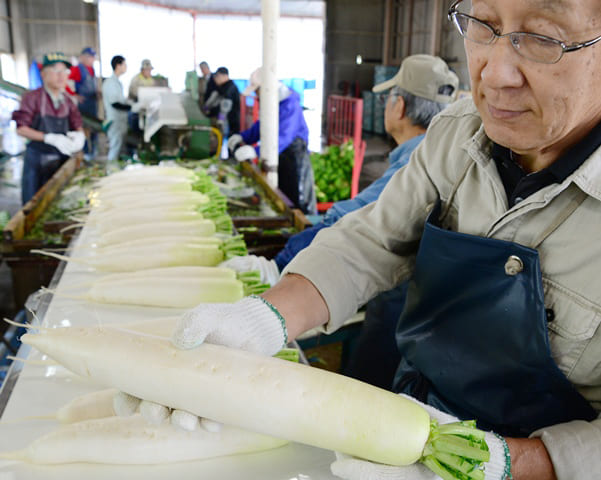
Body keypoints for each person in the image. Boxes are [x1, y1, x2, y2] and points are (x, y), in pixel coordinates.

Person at [117, 0, 601, 477]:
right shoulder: (457, 134)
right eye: (484, 25)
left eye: (542, 37)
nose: (496, 74)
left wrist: (501, 465)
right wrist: (266, 317)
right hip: (410, 424)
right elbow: (372, 240)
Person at [222, 55, 459, 389]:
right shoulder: (442, 154)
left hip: (399, 309)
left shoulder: (415, 165)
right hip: (428, 318)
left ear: (400, 107)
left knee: (367, 381)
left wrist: (280, 266)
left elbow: (359, 223)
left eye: (389, 98)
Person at [227, 67, 317, 214]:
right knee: (282, 196)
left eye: (257, 91)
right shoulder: (271, 103)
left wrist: (255, 151)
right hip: (280, 156)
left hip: (294, 158)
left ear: (266, 89)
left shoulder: (289, 104)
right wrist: (243, 137)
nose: (256, 96)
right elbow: (262, 126)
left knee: (299, 201)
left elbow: (284, 137)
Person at [12, 52, 84, 204]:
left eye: (65, 71)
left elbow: (77, 124)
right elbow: (21, 129)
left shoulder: (68, 101)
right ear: (44, 74)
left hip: (61, 159)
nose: (61, 76)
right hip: (37, 161)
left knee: (60, 202)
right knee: (33, 203)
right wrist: (48, 137)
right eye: (56, 71)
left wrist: (80, 136)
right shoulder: (32, 98)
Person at [103, 55, 137, 162]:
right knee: (115, 147)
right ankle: (110, 170)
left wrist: (130, 104)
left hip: (120, 120)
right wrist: (131, 107)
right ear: (118, 66)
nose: (126, 67)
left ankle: (113, 168)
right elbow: (115, 104)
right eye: (124, 65)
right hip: (115, 120)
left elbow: (121, 101)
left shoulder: (117, 82)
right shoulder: (111, 83)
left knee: (118, 148)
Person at [68, 46, 99, 160]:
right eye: (90, 57)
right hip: (83, 105)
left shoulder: (92, 70)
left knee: (94, 128)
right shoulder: (77, 69)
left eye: (93, 58)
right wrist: (74, 94)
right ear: (84, 57)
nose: (92, 60)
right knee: (84, 129)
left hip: (93, 104)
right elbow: (65, 82)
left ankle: (94, 153)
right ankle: (85, 154)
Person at [203, 66, 240, 136]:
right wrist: (206, 108)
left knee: (231, 141)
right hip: (226, 121)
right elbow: (214, 97)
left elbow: (225, 107)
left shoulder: (230, 88)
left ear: (224, 76)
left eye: (217, 76)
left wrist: (220, 120)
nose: (215, 79)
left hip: (230, 122)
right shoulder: (223, 87)